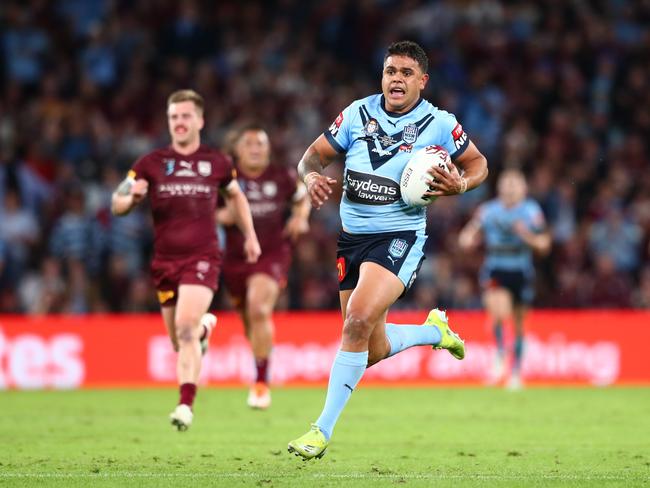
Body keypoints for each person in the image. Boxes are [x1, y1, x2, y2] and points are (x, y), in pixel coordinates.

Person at [287, 40, 488, 460]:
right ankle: (436, 332)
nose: (396, 78)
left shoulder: (439, 123)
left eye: (406, 73)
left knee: (356, 320)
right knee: (369, 346)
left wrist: (462, 185)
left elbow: (478, 164)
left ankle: (320, 432)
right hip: (351, 240)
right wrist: (308, 179)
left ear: (422, 81)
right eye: (390, 71)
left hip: (400, 238)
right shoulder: (357, 114)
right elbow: (311, 158)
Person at [111, 90, 261, 430]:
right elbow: (115, 204)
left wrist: (250, 236)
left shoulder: (217, 162)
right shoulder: (149, 163)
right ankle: (206, 328)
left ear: (199, 120)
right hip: (164, 262)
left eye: (185, 116)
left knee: (184, 328)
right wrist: (130, 200)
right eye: (174, 117)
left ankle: (185, 406)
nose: (179, 122)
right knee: (181, 342)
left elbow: (237, 199)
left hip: (203, 257)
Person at [218, 123, 310, 409]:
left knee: (259, 308)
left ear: (269, 149)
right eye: (249, 144)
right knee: (250, 321)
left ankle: (260, 384)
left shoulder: (282, 176)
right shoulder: (224, 178)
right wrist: (225, 217)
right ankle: (262, 362)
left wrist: (300, 217)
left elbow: (301, 197)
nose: (256, 149)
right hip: (234, 259)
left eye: (261, 144)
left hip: (272, 253)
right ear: (237, 150)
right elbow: (206, 214)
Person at [459, 169, 551, 389]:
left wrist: (526, 236)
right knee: (499, 312)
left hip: (520, 270)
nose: (510, 188)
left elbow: (544, 244)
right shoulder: (488, 211)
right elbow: (466, 236)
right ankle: (500, 354)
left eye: (514, 184)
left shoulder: (531, 211)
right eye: (506, 183)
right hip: (496, 268)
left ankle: (516, 372)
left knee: (519, 324)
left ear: (523, 189)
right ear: (499, 188)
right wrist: (469, 239)